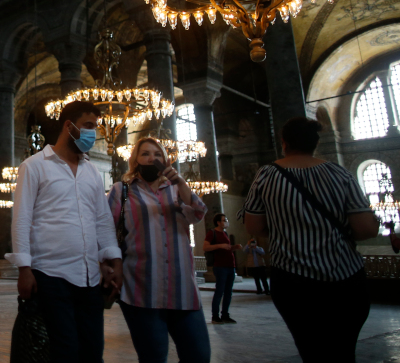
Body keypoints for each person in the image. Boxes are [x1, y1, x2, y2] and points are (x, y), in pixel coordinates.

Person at [242, 117, 379, 363]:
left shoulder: (266, 175)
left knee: (311, 350)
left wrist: (287, 228)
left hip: (294, 282)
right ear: (315, 143)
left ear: (284, 143)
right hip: (345, 278)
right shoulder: (340, 173)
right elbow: (366, 229)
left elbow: (254, 226)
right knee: (344, 351)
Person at [6, 101, 122, 363]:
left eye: (95, 127)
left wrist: (114, 260)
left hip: (90, 277)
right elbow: (22, 219)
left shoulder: (91, 171)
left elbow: (102, 219)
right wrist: (24, 269)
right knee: (64, 351)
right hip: (50, 274)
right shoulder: (34, 166)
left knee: (92, 351)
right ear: (69, 126)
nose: (93, 133)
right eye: (88, 126)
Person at [108, 137, 210, 363]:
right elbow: (106, 231)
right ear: (135, 160)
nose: (151, 158)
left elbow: (198, 213)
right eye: (145, 154)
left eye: (157, 154)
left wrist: (180, 182)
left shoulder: (176, 190)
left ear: (165, 161)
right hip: (142, 288)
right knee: (153, 357)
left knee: (199, 356)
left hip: (182, 288)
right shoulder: (122, 190)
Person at [203, 213, 242, 324]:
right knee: (219, 291)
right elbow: (205, 247)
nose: (226, 222)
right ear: (218, 222)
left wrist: (234, 247)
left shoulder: (225, 233)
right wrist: (220, 245)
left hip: (230, 266)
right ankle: (215, 316)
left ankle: (225, 314)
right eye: (224, 220)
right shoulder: (212, 233)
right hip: (220, 266)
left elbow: (226, 248)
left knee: (228, 292)